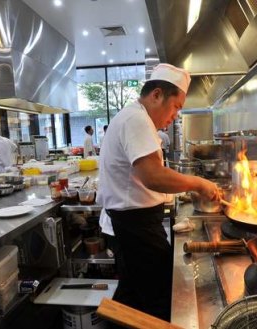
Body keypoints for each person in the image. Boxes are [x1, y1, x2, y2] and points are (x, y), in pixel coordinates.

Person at [96, 63, 219, 321]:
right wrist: (197, 183)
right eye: (176, 107)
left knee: (132, 297)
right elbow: (152, 176)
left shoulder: (135, 117)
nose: (175, 115)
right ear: (156, 95)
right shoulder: (136, 119)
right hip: (134, 226)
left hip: (131, 223)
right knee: (156, 298)